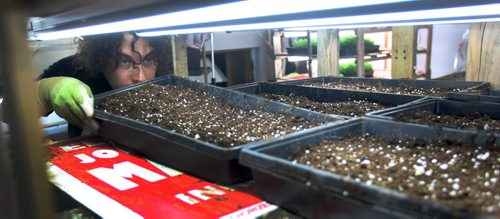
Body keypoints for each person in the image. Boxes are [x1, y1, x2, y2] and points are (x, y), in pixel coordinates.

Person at [36, 32, 173, 136]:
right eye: (124, 61)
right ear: (101, 58)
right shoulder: (76, 68)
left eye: (148, 59)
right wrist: (45, 91)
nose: (141, 77)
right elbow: (17, 111)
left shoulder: (162, 75)